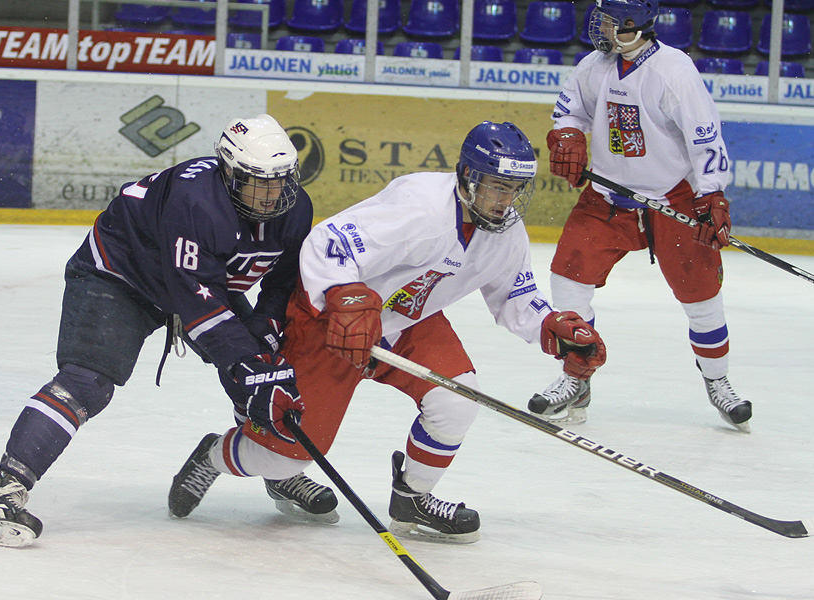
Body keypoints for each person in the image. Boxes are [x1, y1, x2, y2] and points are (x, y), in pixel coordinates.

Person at [168, 121, 606, 544]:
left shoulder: (506, 233)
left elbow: (516, 296)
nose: (505, 200)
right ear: (470, 178)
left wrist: (555, 329)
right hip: (331, 322)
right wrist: (346, 296)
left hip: (406, 321)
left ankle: (412, 498)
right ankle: (213, 455)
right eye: (497, 186)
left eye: (513, 190)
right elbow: (326, 242)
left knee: (457, 399)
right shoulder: (421, 206)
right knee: (284, 456)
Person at [0, 114, 338, 548]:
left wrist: (265, 333)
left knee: (265, 374)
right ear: (229, 172)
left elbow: (282, 283)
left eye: (281, 180)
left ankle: (274, 469)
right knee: (87, 382)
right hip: (121, 274)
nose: (274, 195)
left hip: (197, 279)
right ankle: (1, 491)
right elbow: (194, 298)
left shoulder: (295, 208)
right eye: (259, 182)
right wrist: (246, 358)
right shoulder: (196, 200)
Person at [528, 0, 751, 431]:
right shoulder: (594, 65)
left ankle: (718, 381)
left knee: (702, 299)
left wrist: (712, 196)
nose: (603, 28)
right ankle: (576, 377)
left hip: (672, 199)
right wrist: (568, 134)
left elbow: (705, 137)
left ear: (634, 27)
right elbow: (570, 109)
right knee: (567, 281)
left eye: (611, 22)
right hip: (606, 197)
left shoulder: (674, 71)